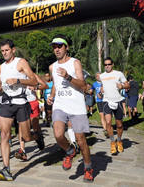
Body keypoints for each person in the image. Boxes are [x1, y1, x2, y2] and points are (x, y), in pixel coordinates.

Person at [0, 39, 43, 181]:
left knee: (26, 137)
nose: (4, 53)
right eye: (2, 51)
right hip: (6, 103)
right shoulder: (0, 68)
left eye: (7, 50)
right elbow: (2, 87)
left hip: (21, 102)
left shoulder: (21, 62)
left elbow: (34, 81)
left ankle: (37, 137)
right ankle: (6, 169)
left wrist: (18, 81)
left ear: (13, 50)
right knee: (4, 134)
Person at [47, 34, 94, 183]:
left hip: (76, 106)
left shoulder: (75, 63)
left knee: (81, 140)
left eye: (60, 46)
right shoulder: (52, 67)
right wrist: (52, 96)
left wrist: (68, 77)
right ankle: (69, 151)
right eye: (54, 47)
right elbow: (56, 83)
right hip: (60, 104)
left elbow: (83, 85)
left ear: (66, 47)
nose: (57, 49)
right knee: (58, 134)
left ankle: (88, 168)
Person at [100, 57, 129, 155]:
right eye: (105, 65)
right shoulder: (102, 76)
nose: (107, 66)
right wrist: (101, 91)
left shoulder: (119, 74)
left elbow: (127, 85)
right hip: (106, 101)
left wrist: (122, 86)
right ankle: (112, 142)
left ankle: (119, 141)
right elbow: (103, 86)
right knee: (108, 123)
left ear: (112, 64)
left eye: (109, 64)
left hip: (118, 101)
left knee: (119, 124)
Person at [15, 73, 48, 161]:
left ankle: (39, 137)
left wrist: (36, 87)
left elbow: (45, 86)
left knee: (35, 125)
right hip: (21, 103)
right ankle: (22, 151)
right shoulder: (15, 76)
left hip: (32, 103)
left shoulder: (32, 75)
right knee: (21, 127)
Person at [91, 72, 108, 137]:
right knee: (102, 115)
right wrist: (90, 91)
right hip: (99, 101)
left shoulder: (105, 82)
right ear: (96, 77)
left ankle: (108, 126)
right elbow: (91, 90)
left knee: (107, 115)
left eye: (100, 76)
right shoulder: (94, 84)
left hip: (106, 100)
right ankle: (105, 129)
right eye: (98, 76)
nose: (99, 77)